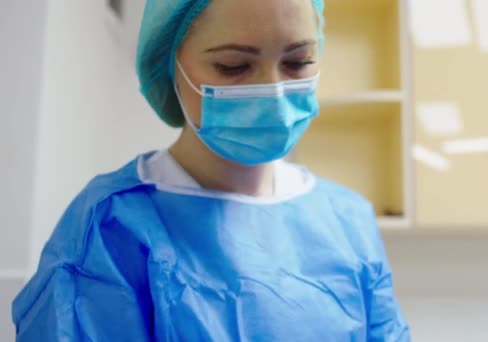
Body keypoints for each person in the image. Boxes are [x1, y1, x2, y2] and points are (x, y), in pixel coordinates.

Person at [12, 0, 410, 340]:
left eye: (297, 61)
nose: (272, 90)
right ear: (170, 65)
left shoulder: (347, 219)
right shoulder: (112, 227)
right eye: (233, 66)